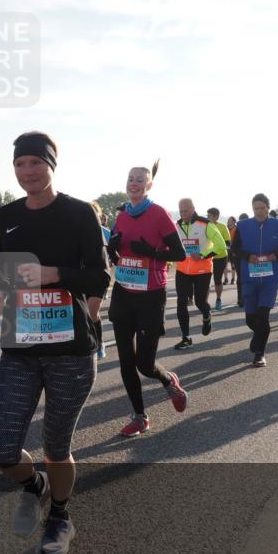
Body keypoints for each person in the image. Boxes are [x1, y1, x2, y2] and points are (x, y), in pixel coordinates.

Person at [0, 132, 109, 554]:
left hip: (70, 350)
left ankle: (60, 515)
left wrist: (55, 274)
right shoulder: (6, 216)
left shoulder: (78, 213)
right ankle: (33, 484)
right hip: (20, 349)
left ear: (51, 166)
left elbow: (100, 275)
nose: (27, 172)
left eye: (36, 163)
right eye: (20, 164)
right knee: (2, 448)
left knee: (56, 447)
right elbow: (1, 273)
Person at [106, 162, 188, 435]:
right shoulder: (122, 215)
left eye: (140, 180)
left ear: (149, 185)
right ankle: (139, 417)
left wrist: (151, 251)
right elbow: (118, 255)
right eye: (131, 178)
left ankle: (168, 380)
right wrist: (112, 250)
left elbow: (179, 254)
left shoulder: (159, 214)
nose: (134, 183)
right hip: (123, 293)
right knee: (125, 362)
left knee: (144, 363)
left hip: (151, 295)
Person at [231, 194, 278, 367]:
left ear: (268, 208)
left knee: (263, 316)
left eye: (262, 208)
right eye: (256, 208)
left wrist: (275, 255)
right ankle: (258, 335)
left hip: (270, 279)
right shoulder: (242, 226)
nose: (259, 211)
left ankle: (260, 353)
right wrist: (247, 256)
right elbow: (234, 248)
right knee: (250, 319)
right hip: (249, 277)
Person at [173, 199, 226, 349]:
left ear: (193, 209)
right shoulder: (177, 226)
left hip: (202, 270)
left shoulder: (205, 224)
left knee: (200, 302)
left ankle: (206, 315)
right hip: (182, 270)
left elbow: (221, 246)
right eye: (181, 211)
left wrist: (203, 254)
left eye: (186, 211)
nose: (183, 214)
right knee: (181, 302)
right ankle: (186, 338)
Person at [88, 201, 112, 359]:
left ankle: (99, 343)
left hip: (100, 277)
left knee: (92, 312)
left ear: (100, 217)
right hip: (81, 277)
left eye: (94, 215)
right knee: (83, 314)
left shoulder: (106, 232)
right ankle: (88, 342)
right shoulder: (76, 231)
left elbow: (115, 252)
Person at [206, 208, 231, 310]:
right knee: (205, 280)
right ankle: (204, 302)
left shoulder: (222, 226)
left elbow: (228, 243)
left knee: (217, 279)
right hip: (207, 257)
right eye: (207, 215)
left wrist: (216, 247)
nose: (207, 217)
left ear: (216, 217)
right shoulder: (204, 226)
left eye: (209, 216)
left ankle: (218, 299)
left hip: (220, 257)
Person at [225, 215, 238, 285]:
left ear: (234, 221)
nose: (229, 222)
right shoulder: (225, 228)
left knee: (233, 265)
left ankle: (233, 279)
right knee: (225, 265)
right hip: (226, 249)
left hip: (233, 250)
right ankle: (226, 279)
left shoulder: (236, 229)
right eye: (228, 220)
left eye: (230, 220)